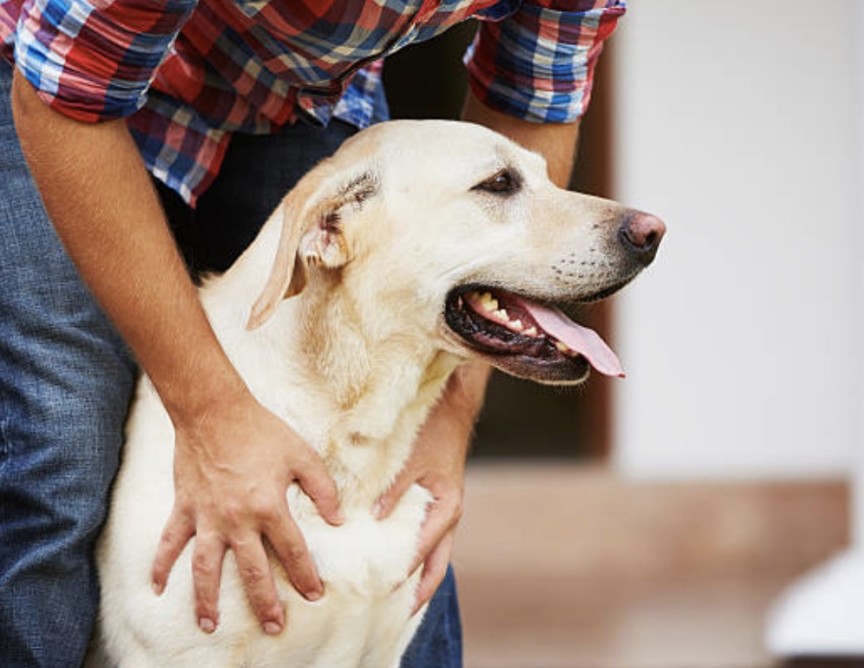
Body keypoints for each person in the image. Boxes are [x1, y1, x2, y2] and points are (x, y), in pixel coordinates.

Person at [0, 0, 625, 665]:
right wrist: (213, 416)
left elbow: (532, 100)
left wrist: (446, 417)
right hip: (51, 79)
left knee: (404, 487)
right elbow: (62, 93)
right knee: (62, 447)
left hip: (299, 87)